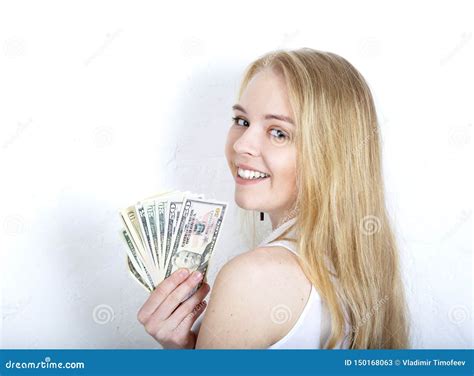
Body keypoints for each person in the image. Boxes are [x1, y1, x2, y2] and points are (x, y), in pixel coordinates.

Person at [136, 48, 411, 349]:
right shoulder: (359, 269)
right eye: (241, 121)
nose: (242, 145)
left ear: (330, 153)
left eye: (278, 132)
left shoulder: (252, 279)